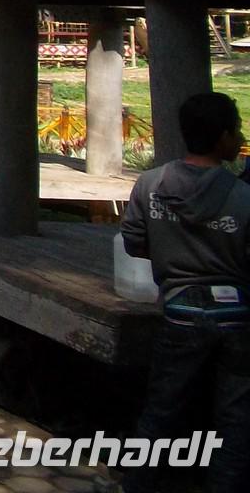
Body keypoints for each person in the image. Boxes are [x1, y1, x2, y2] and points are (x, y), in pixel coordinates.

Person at [120, 91, 249, 493]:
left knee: (161, 410)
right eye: (237, 130)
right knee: (236, 419)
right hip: (237, 318)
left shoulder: (150, 184)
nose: (240, 138)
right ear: (223, 137)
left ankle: (138, 484)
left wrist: (172, 253)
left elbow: (133, 243)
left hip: (179, 311)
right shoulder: (244, 197)